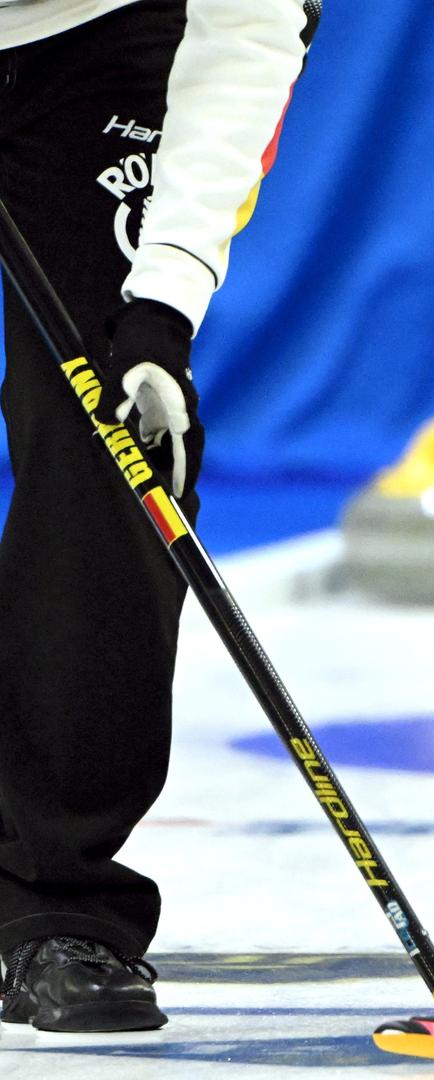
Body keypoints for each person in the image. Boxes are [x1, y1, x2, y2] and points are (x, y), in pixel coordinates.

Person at [0, 0, 317, 1033]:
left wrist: (164, 302)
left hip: (93, 48)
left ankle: (59, 901)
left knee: (122, 437)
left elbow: (253, 30)